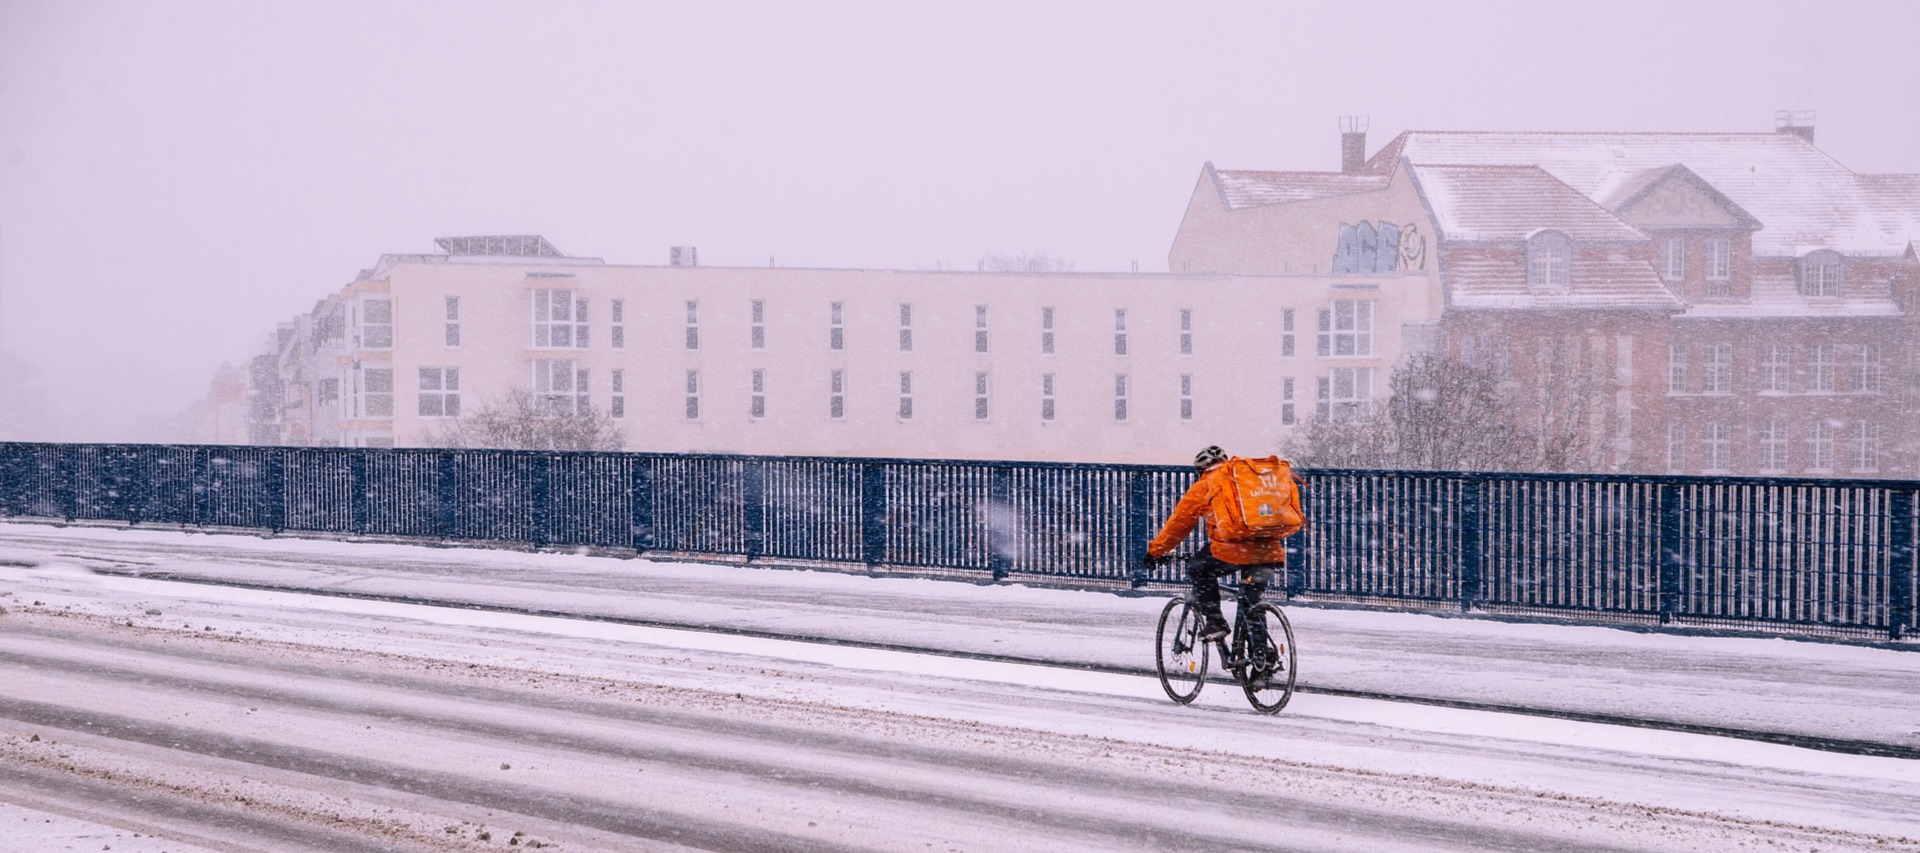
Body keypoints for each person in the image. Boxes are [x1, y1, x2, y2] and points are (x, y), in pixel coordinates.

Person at [1144, 445, 1297, 645]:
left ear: (1201, 469)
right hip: (1269, 552)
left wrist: (1156, 551)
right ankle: (1263, 658)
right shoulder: (1245, 480)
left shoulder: (1207, 483)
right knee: (1251, 600)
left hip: (1233, 551)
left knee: (1198, 568)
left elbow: (1179, 524)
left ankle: (1215, 621)